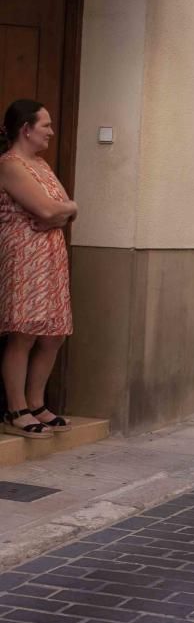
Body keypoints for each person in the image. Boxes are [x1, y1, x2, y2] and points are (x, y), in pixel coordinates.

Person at [0, 99, 77, 440]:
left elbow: (65, 208)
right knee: (25, 331)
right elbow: (48, 211)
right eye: (45, 125)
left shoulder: (42, 165)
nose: (51, 131)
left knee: (54, 333)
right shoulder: (10, 164)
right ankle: (16, 409)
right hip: (24, 255)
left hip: (51, 254)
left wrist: (62, 210)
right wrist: (58, 211)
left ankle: (37, 402)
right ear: (25, 129)